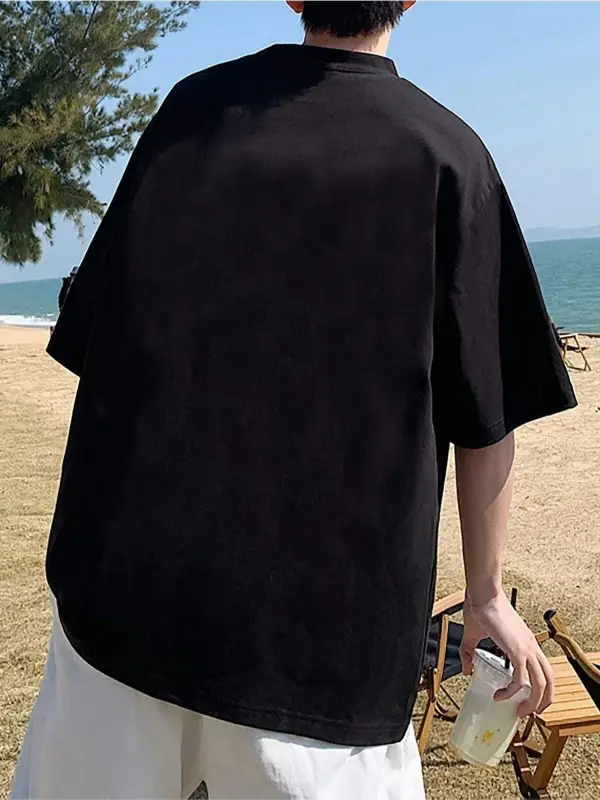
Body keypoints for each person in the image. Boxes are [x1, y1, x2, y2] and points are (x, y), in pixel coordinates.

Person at [11, 3, 576, 799]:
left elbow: (98, 338)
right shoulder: (449, 157)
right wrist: (485, 594)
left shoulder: (193, 113)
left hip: (125, 604)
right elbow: (490, 411)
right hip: (325, 645)